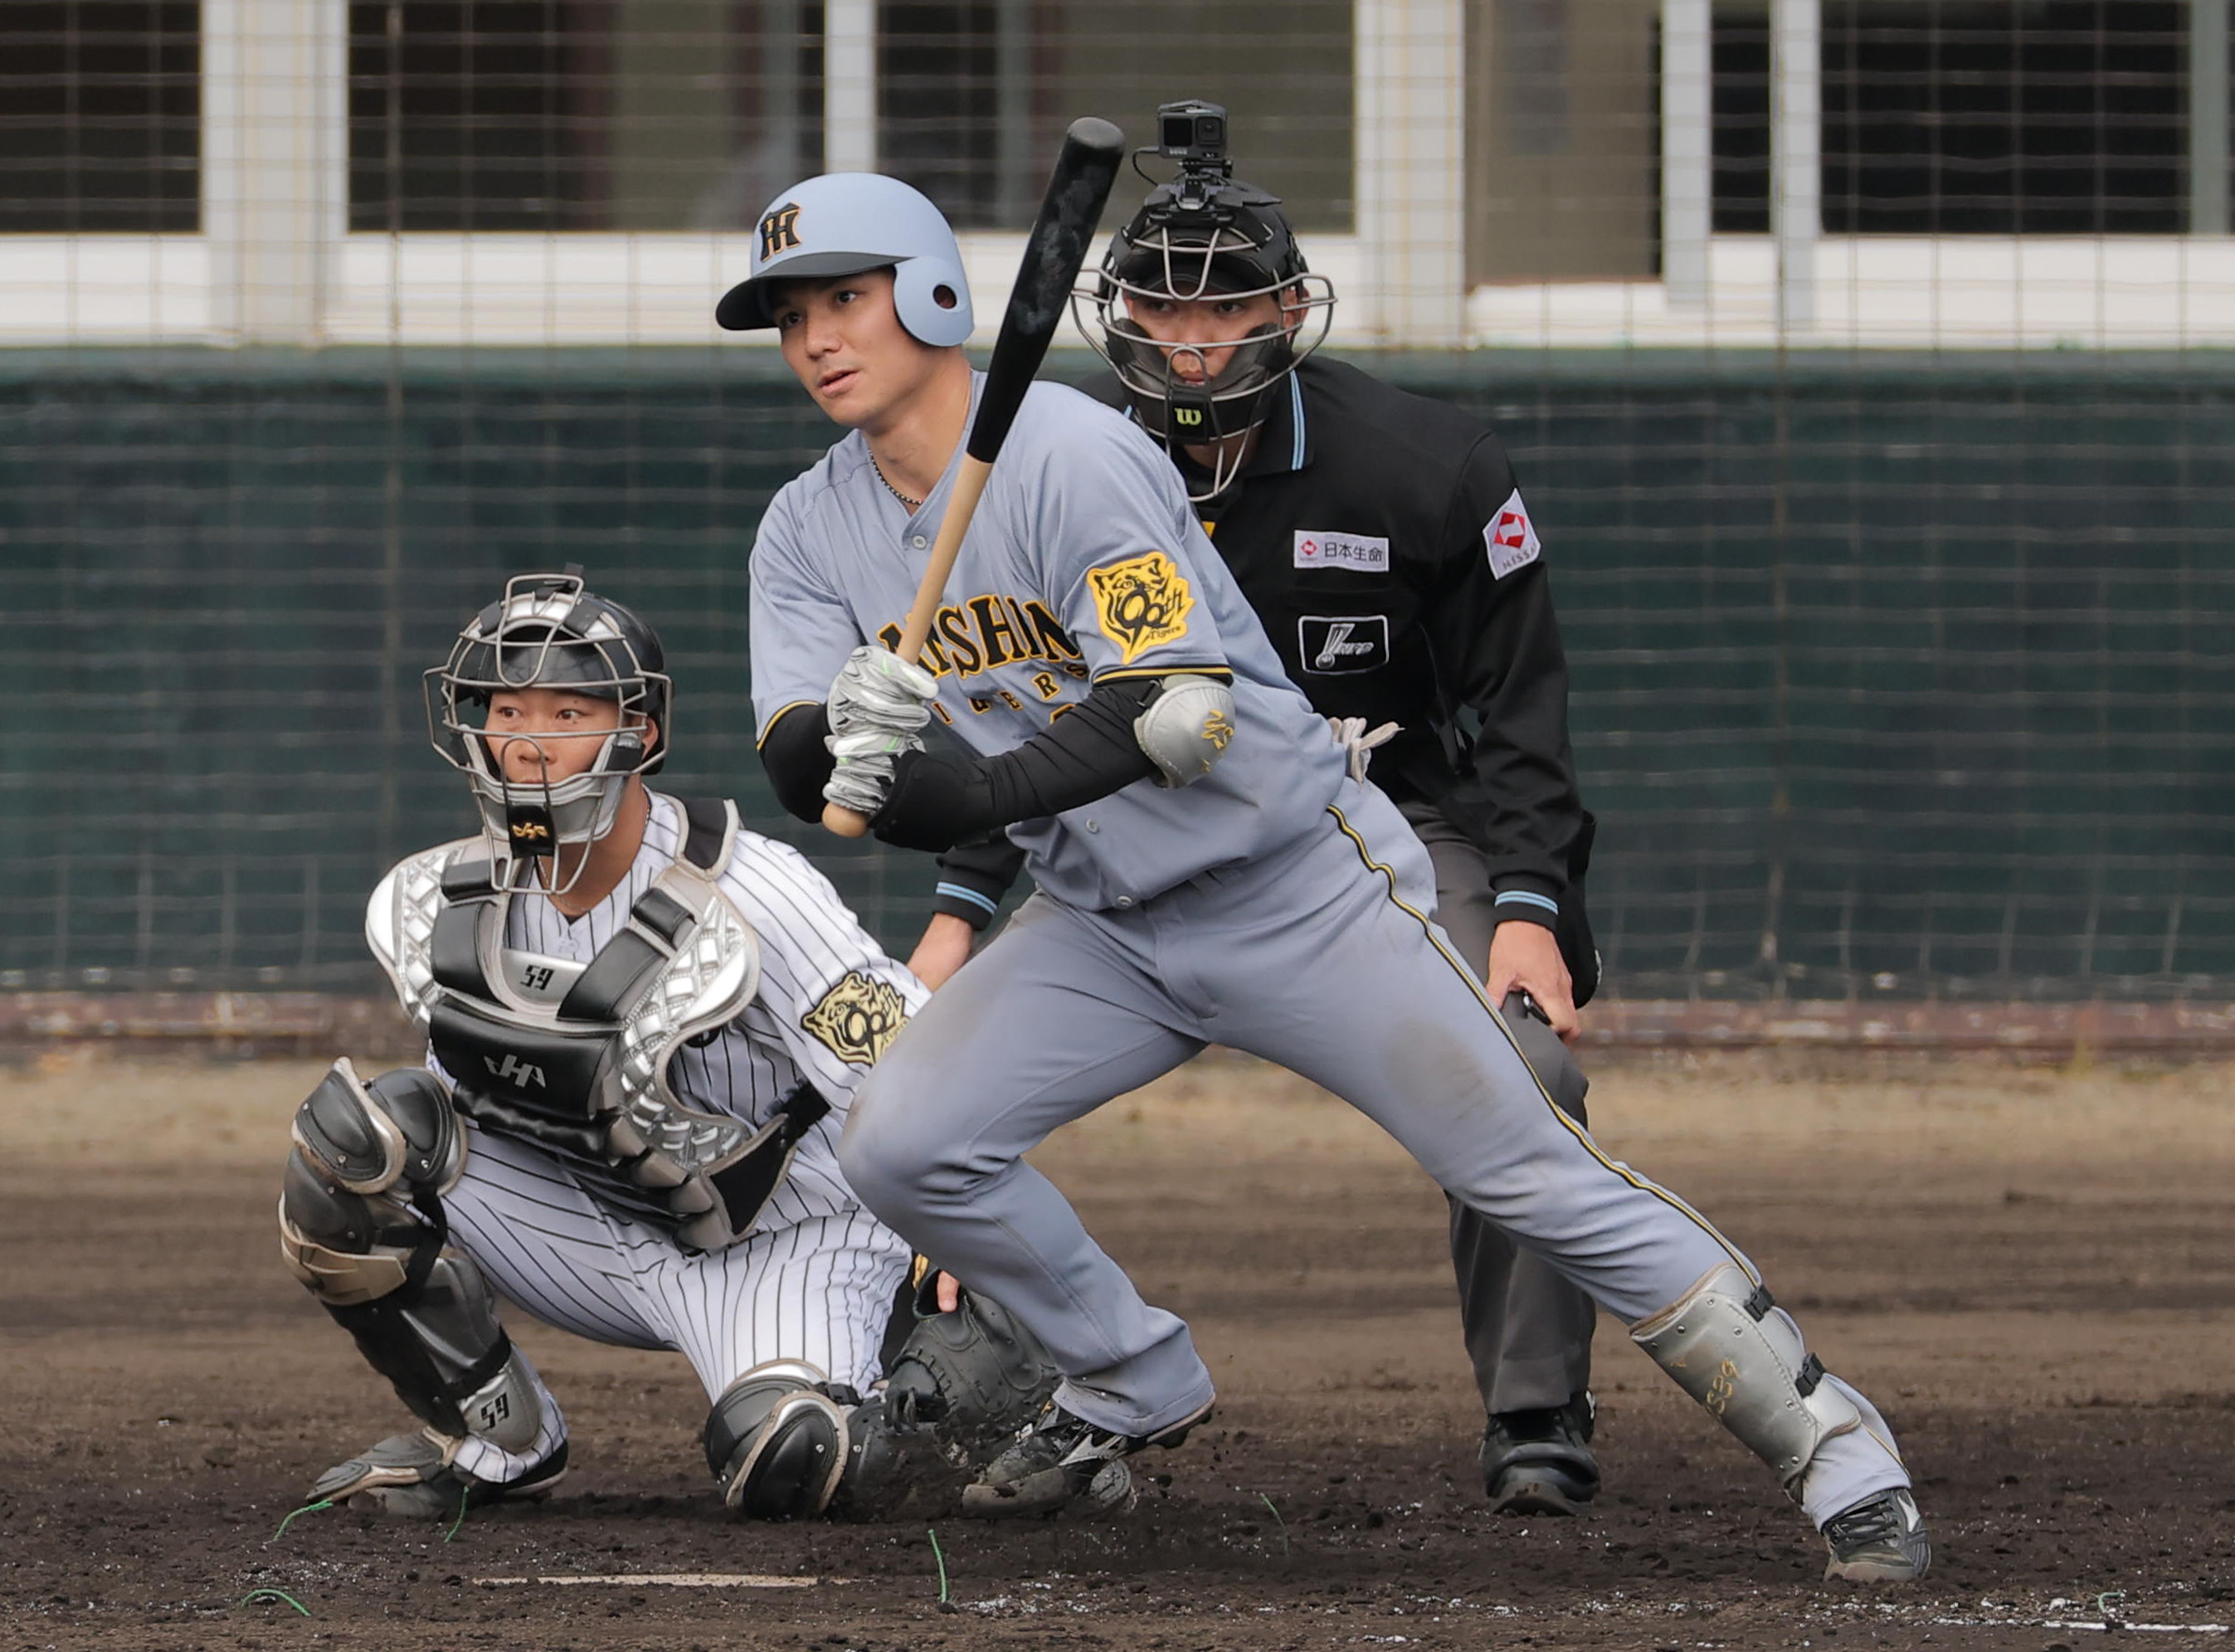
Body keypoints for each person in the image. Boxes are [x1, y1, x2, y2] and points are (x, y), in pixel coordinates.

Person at [726, 171, 1932, 1582]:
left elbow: (1174, 707)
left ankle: (1838, 1445)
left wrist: (967, 789)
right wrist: (844, 750)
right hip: (1102, 927)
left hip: (1294, 883)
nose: (817, 337)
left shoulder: (1072, 455)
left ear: (931, 297)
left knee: (1527, 1167)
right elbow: (799, 758)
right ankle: (1125, 1374)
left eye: (847, 299)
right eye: (793, 315)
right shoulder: (807, 528)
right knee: (900, 1143)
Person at [912, 103, 1609, 1517]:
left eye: (1226, 306)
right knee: (907, 1094)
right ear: (1113, 319)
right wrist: (953, 915)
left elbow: (1518, 718)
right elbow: (1019, 710)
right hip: (1130, 856)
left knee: (1531, 1077)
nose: (1190, 344)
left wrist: (1531, 911)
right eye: (1160, 312)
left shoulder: (1428, 470)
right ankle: (959, 1372)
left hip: (1391, 833)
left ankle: (1536, 1409)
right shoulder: (1054, 471)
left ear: (1291, 308)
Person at [278, 570, 1055, 1523]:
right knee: (353, 1145)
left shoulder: (753, 888)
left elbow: (912, 1077)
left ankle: (964, 1396)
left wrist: (969, 1249)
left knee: (787, 1460)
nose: (526, 742)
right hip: (592, 1226)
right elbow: (467, 1101)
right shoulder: (457, 900)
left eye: (567, 710)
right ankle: (500, 1442)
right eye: (506, 708)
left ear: (638, 732)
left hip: (786, 1240)